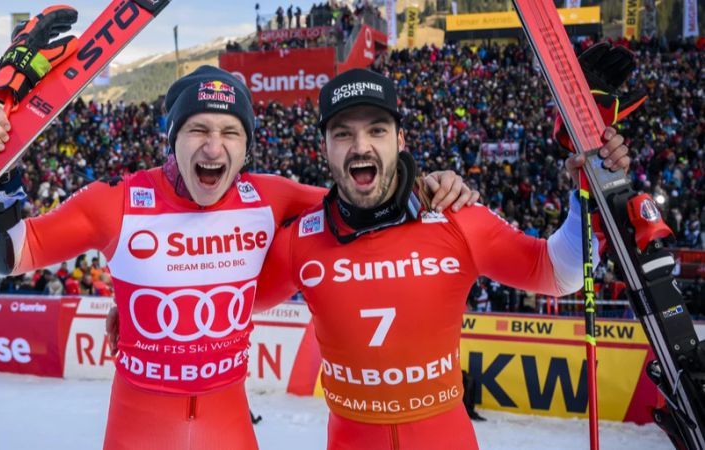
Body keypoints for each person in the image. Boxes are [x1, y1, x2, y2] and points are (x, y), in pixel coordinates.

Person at [0, 65, 476, 449]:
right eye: (198, 130)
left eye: (230, 133)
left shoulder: (270, 197)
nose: (213, 148)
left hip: (229, 431)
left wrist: (430, 183)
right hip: (136, 431)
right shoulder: (117, 203)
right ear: (173, 139)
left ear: (247, 148)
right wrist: (1, 180)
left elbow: (360, 197)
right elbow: (5, 256)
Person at [253, 68, 631, 449]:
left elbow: (557, 274)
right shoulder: (301, 238)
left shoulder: (454, 215)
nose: (361, 146)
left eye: (377, 130)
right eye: (343, 133)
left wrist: (591, 187)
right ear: (324, 148)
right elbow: (230, 301)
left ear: (401, 139)